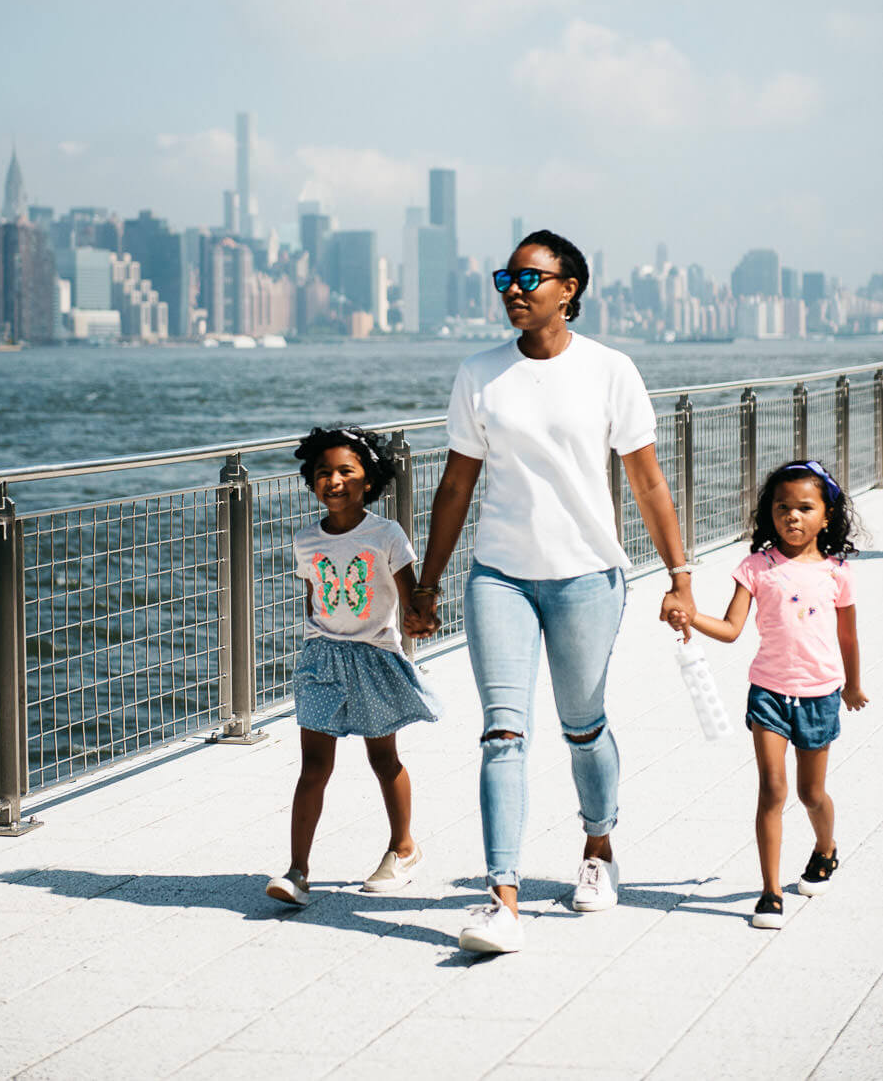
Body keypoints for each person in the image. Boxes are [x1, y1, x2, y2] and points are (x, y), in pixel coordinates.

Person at [413, 229, 696, 955]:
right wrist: (427, 583)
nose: (513, 288)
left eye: (529, 277)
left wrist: (679, 578)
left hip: (586, 578)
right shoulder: (478, 374)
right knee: (502, 732)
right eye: (504, 276)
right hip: (499, 576)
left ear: (568, 289)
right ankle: (499, 896)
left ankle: (598, 850)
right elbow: (454, 485)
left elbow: (647, 481)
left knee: (582, 725)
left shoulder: (610, 371)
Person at [669, 459, 868, 931]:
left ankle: (825, 848)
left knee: (811, 792)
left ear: (826, 515)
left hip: (820, 694)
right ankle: (771, 891)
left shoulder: (838, 574)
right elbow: (732, 629)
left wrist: (853, 685)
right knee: (773, 789)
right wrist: (689, 618)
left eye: (804, 507)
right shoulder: (755, 567)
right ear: (769, 513)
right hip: (769, 694)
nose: (792, 517)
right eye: (782, 507)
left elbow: (848, 638)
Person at [265, 425, 441, 909]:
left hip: (373, 658)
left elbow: (411, 598)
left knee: (383, 760)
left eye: (346, 470)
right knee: (313, 767)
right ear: (311, 481)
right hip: (321, 658)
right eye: (323, 472)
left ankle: (403, 847)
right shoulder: (305, 540)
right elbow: (313, 599)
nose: (334, 480)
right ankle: (298, 870)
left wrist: (421, 619)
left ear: (369, 480)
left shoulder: (386, 534)